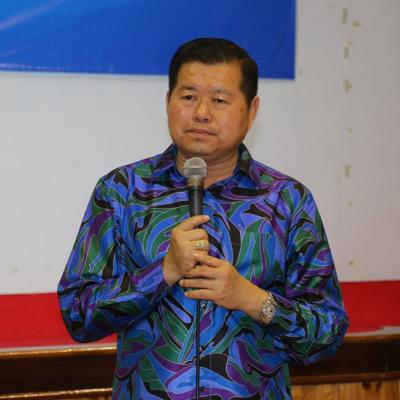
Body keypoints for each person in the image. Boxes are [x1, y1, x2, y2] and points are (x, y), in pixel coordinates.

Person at [58, 38, 349, 399]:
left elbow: (328, 334)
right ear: (168, 101)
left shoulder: (287, 201)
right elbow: (78, 315)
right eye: (188, 96)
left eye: (220, 100)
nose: (201, 113)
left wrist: (252, 299)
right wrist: (163, 272)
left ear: (252, 110)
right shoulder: (122, 192)